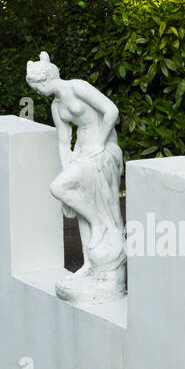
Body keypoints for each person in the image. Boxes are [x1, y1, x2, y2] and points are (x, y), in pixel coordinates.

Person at [26, 52, 126, 302]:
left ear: (47, 78)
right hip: (82, 154)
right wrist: (67, 165)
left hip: (101, 150)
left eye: (36, 84)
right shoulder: (56, 106)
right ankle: (87, 263)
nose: (36, 90)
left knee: (59, 188)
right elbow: (62, 142)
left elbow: (111, 111)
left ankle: (102, 231)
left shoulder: (77, 86)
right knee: (72, 199)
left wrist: (99, 144)